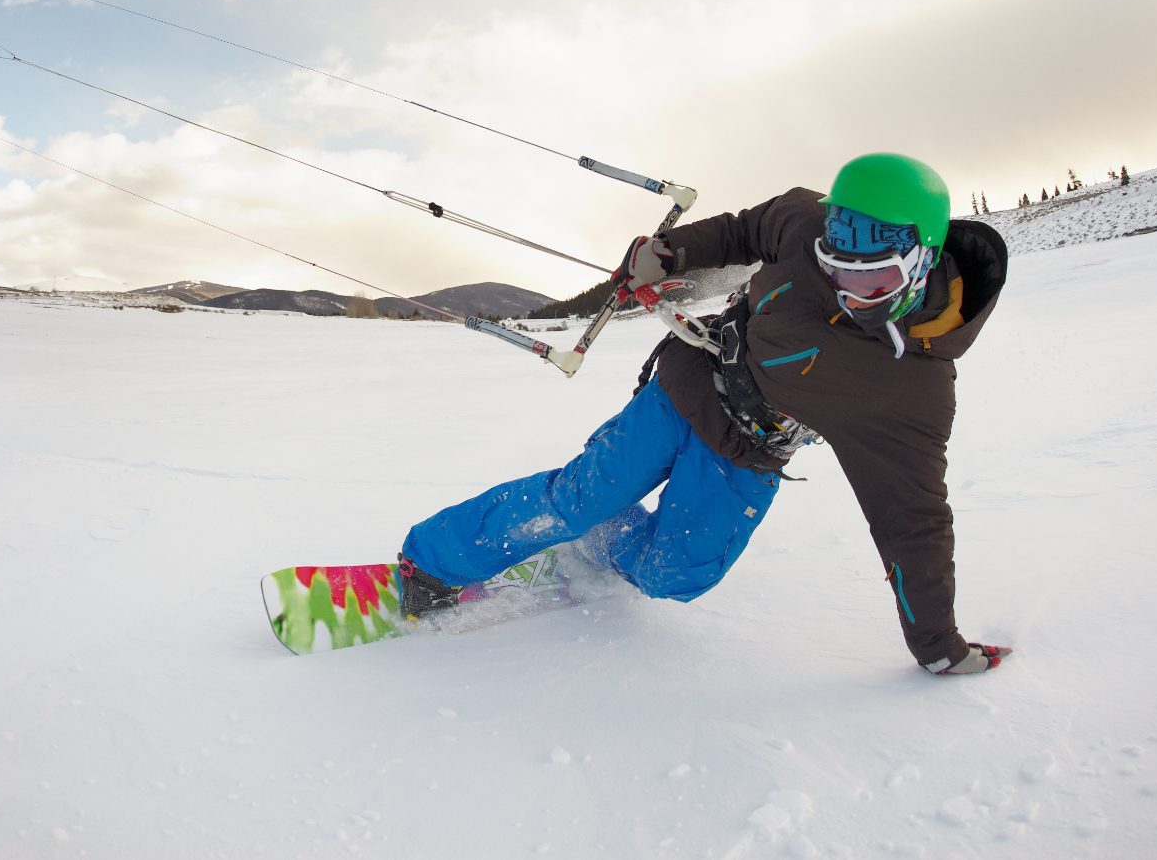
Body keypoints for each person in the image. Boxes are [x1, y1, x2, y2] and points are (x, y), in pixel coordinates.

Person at [398, 152, 1012, 675]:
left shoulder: (911, 392)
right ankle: (432, 562)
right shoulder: (805, 225)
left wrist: (938, 646)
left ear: (923, 260)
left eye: (873, 284)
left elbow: (913, 521)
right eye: (834, 269)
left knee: (675, 577)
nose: (850, 294)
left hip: (747, 451)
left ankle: (605, 537)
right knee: (581, 495)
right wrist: (670, 254)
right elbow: (745, 230)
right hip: (687, 384)